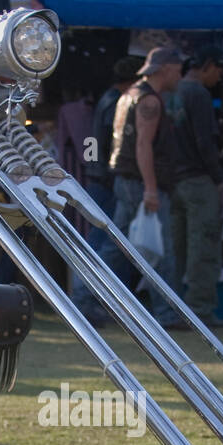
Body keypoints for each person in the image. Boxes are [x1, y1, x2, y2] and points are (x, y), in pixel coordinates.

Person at [97, 46, 184, 329]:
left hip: (127, 178)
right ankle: (167, 314)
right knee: (160, 249)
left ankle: (84, 299)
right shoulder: (149, 101)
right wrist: (151, 188)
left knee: (115, 246)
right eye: (178, 70)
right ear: (166, 69)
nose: (180, 76)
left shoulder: (131, 94)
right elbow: (143, 145)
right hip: (140, 182)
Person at [70, 56, 139, 326]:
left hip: (99, 179)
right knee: (103, 245)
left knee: (98, 244)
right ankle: (84, 301)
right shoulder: (116, 103)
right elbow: (117, 141)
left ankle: (87, 301)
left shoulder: (107, 99)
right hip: (107, 181)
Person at [168, 44, 223, 327]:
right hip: (198, 180)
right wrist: (220, 180)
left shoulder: (172, 92)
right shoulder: (199, 94)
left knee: (177, 250)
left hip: (174, 181)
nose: (220, 75)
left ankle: (173, 309)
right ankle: (199, 311)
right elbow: (205, 143)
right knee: (203, 248)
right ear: (206, 65)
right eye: (218, 69)